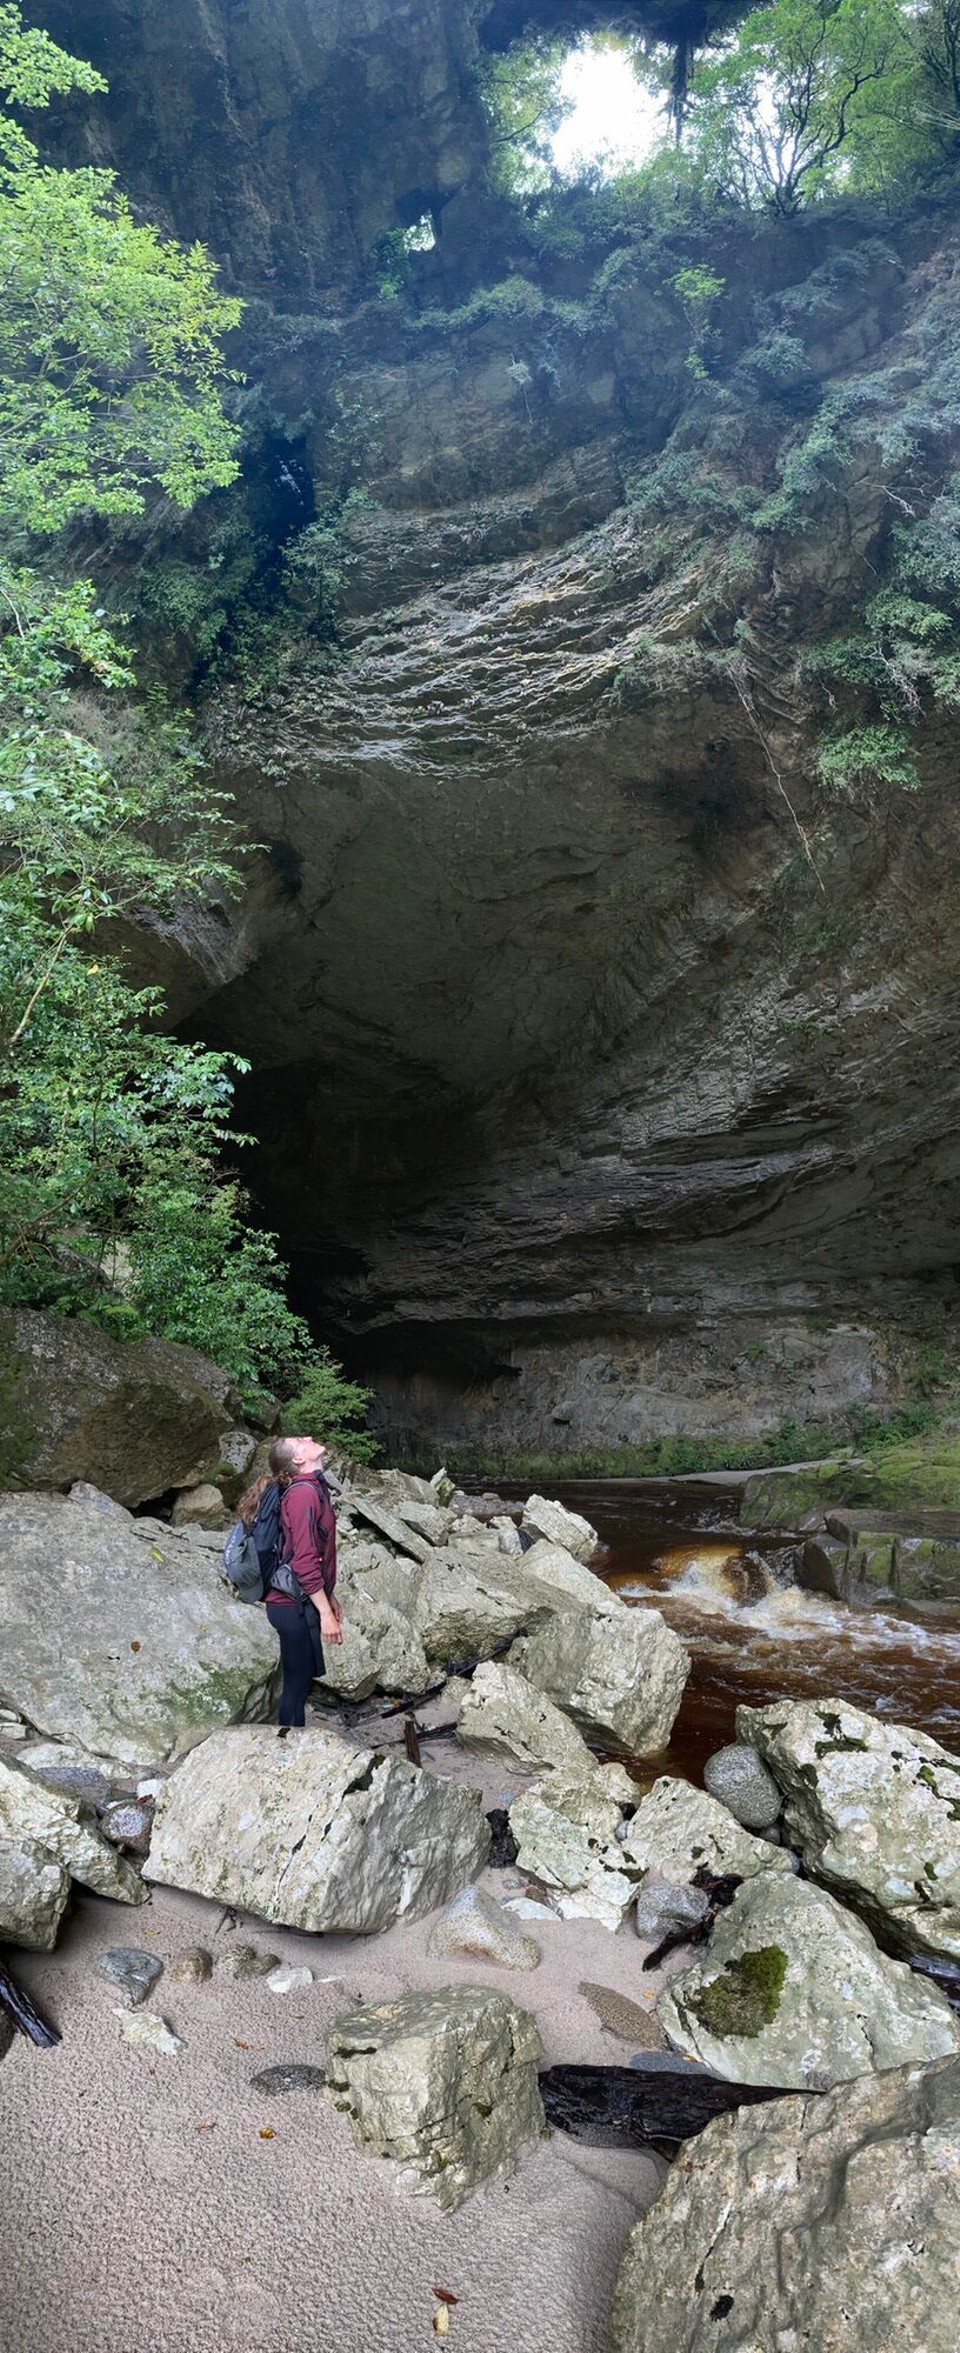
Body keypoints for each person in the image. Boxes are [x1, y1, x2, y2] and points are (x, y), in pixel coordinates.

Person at [237, 1433, 343, 1728]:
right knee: (296, 1686)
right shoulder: (302, 1494)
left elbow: (309, 1551)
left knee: (301, 1681)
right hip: (290, 1605)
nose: (308, 1437)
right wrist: (325, 1614)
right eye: (300, 1440)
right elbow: (304, 1562)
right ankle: (288, 1748)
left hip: (299, 1600)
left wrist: (330, 1597)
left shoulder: (312, 1488)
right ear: (299, 1460)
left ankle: (293, 1741)